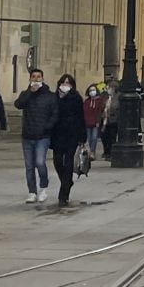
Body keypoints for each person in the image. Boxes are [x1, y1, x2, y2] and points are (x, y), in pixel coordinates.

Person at [14, 68, 57, 204]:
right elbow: (18, 104)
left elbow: (54, 113)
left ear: (42, 79)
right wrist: (29, 93)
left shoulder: (50, 96)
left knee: (39, 162)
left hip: (42, 136)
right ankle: (32, 191)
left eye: (39, 77)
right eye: (34, 77)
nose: (36, 79)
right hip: (27, 135)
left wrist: (47, 127)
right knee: (29, 166)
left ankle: (43, 188)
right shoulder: (26, 94)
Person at [51, 74, 86, 207]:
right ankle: (67, 181)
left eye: (68, 83)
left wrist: (82, 137)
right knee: (57, 161)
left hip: (72, 134)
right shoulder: (54, 98)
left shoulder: (76, 98)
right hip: (57, 134)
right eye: (63, 82)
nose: (65, 85)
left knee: (69, 161)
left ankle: (63, 194)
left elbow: (81, 117)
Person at [83, 83, 105, 160]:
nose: (92, 92)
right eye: (90, 90)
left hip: (95, 122)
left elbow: (99, 111)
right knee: (89, 138)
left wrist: (98, 121)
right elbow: (84, 111)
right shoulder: (87, 101)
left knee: (94, 137)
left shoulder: (99, 100)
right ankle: (91, 151)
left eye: (93, 90)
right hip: (87, 122)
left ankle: (92, 152)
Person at [100, 80, 120, 160]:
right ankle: (106, 151)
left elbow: (118, 108)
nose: (108, 89)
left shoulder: (118, 97)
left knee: (112, 137)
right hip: (104, 120)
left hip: (113, 120)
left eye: (110, 87)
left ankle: (112, 153)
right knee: (104, 137)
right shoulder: (105, 96)